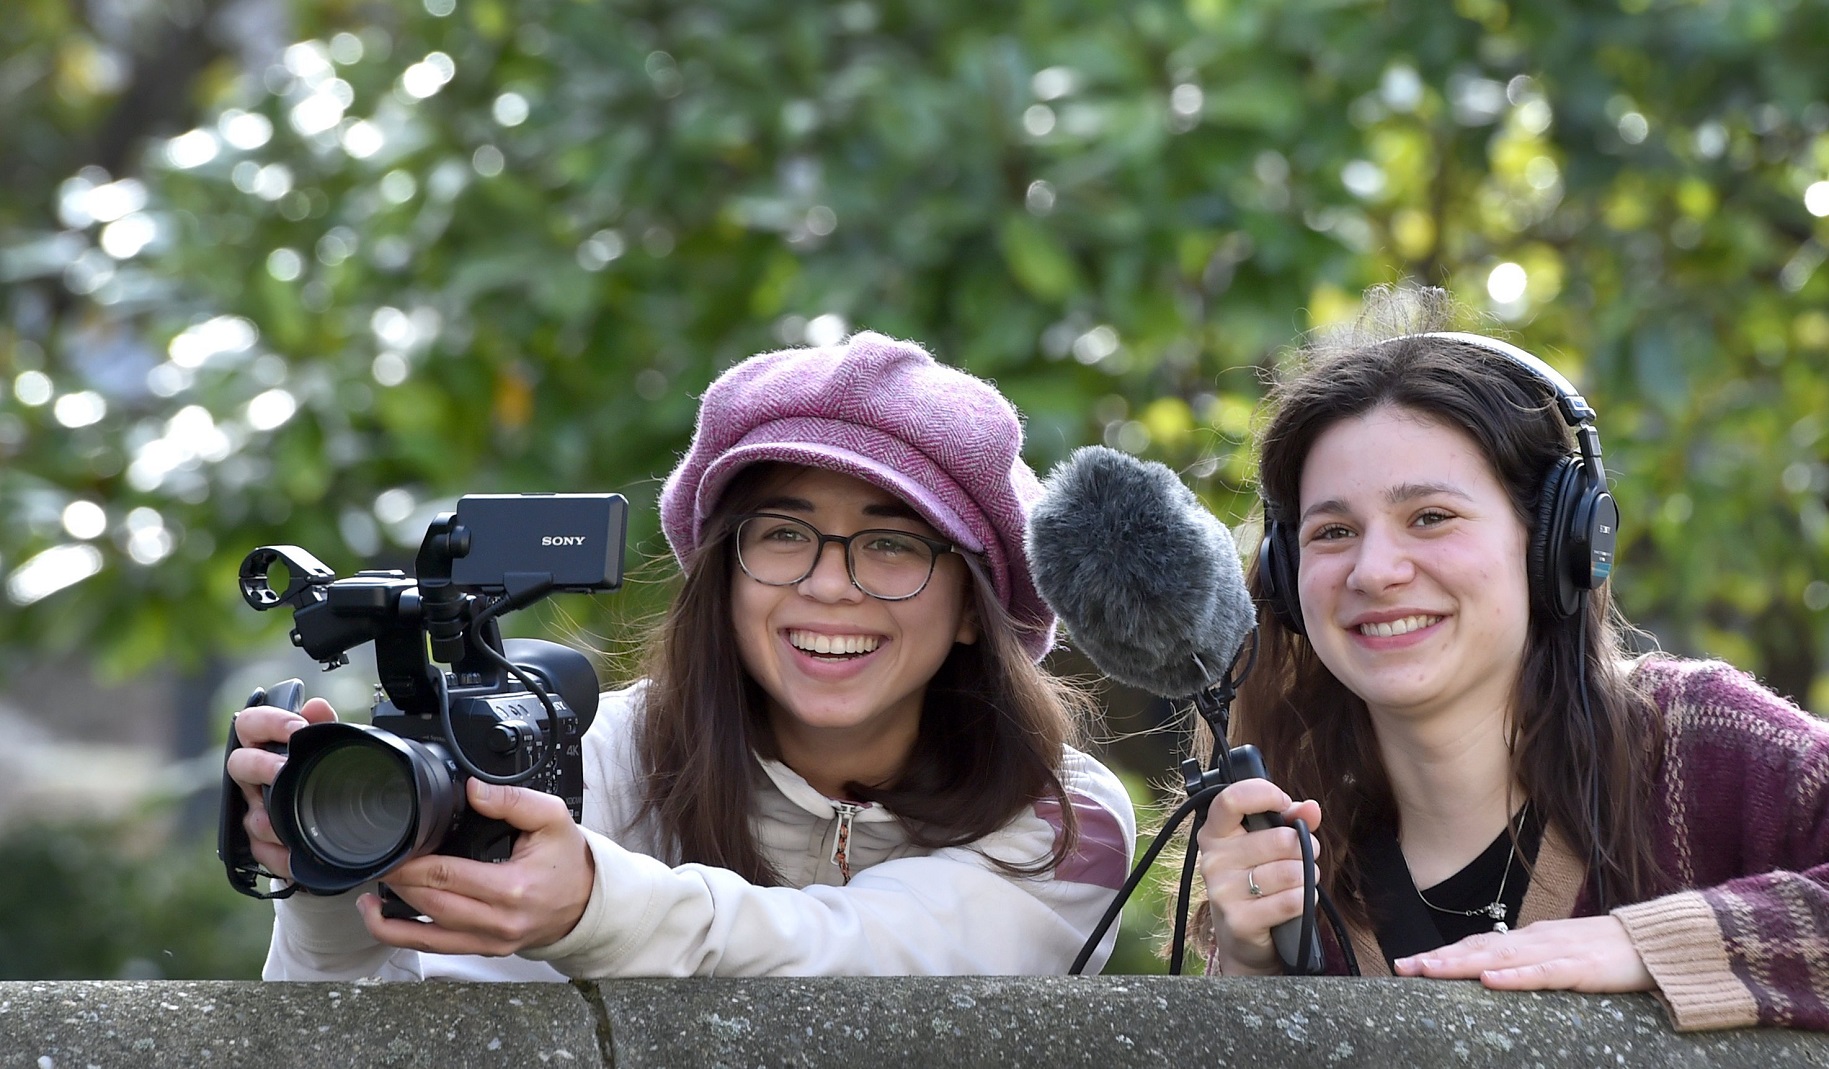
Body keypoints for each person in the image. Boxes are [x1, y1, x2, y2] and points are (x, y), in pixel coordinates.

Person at [228, 331, 1137, 979]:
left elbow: (865, 955)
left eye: (893, 545)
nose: (829, 585)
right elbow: (363, 1027)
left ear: (976, 607)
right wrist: (330, 867)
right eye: (783, 534)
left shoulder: (1065, 818)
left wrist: (593, 905)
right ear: (724, 579)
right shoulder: (579, 759)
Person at [1192, 285, 1829, 1031]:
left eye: (1429, 517)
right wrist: (1245, 975)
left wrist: (1646, 942)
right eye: (1331, 532)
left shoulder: (1699, 742)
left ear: (1555, 543)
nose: (1373, 571)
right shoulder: (1284, 841)